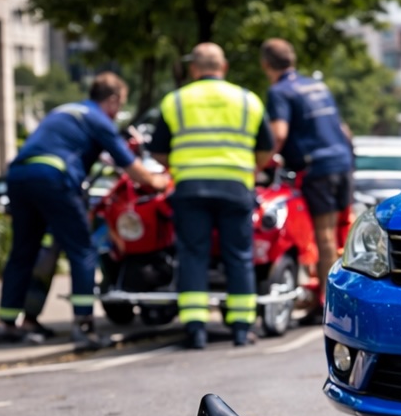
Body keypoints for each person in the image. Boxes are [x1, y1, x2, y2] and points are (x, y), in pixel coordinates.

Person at [0, 73, 168, 346]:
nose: (118, 112)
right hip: (54, 178)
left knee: (24, 251)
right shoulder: (98, 119)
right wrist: (156, 180)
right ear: (112, 100)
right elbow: (129, 165)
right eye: (120, 105)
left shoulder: (64, 111)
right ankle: (84, 327)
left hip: (18, 176)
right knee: (82, 250)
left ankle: (8, 325)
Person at [149, 43, 274, 349]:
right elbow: (267, 148)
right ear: (224, 66)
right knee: (239, 256)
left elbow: (159, 151)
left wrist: (181, 166)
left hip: (191, 187)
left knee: (193, 255)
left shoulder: (176, 100)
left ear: (194, 69)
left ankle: (196, 329)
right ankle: (242, 329)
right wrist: (248, 168)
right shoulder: (248, 100)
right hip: (235, 187)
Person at [260, 38, 354, 312]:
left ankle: (327, 302)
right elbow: (343, 128)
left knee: (323, 236)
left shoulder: (279, 92)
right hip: (342, 163)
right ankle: (334, 291)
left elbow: (278, 134)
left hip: (317, 169)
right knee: (340, 233)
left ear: (266, 64)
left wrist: (258, 163)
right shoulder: (318, 85)